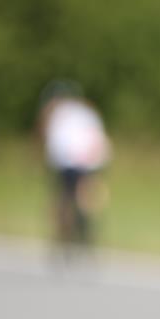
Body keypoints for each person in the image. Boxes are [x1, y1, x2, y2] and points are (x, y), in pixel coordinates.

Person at [36, 81, 112, 251]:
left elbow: (55, 144)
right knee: (84, 199)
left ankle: (65, 237)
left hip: (68, 162)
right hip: (90, 161)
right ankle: (84, 235)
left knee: (64, 199)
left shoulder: (58, 114)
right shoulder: (87, 112)